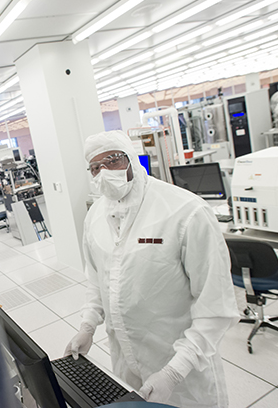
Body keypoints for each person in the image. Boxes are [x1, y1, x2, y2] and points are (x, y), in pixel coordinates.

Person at [64, 130, 239, 408]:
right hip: (126, 363)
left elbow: (216, 309)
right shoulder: (95, 216)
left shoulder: (185, 211)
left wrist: (173, 372)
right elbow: (97, 282)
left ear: (132, 159)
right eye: (96, 167)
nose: (105, 172)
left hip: (183, 368)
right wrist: (87, 326)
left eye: (113, 160)